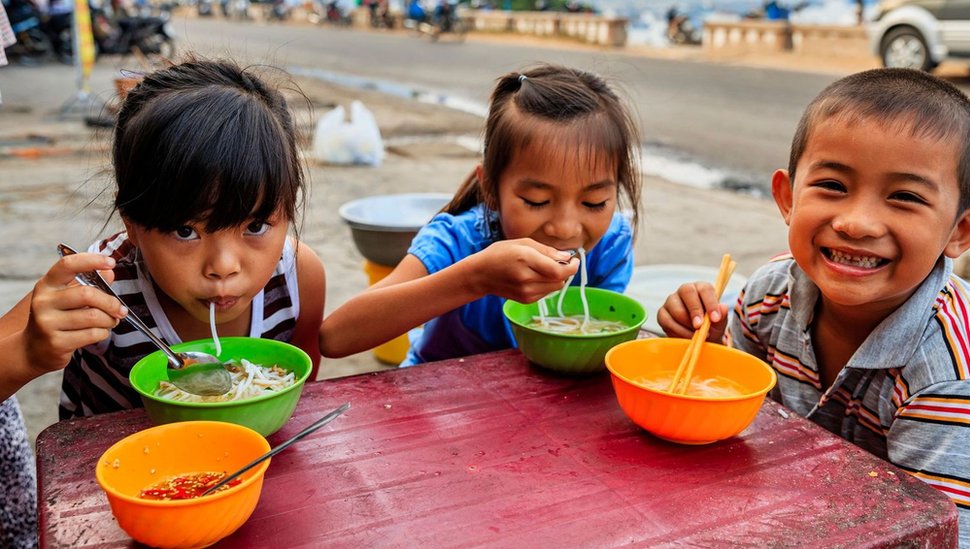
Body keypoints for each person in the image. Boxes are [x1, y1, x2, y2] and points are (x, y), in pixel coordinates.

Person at [657, 68, 970, 545]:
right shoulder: (769, 292)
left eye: (904, 197)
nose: (856, 223)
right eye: (832, 185)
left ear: (960, 232)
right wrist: (701, 349)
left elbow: (940, 534)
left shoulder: (949, 371)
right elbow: (744, 415)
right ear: (787, 198)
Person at [0, 57, 326, 421]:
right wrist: (28, 352)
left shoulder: (298, 278)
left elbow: (300, 394)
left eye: (255, 227)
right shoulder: (99, 286)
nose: (223, 267)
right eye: (186, 231)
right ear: (133, 224)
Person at [320, 64, 641, 365]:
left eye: (595, 202)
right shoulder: (457, 242)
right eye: (537, 200)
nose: (565, 228)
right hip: (439, 399)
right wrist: (473, 279)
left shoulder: (610, 244)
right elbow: (335, 337)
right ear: (490, 188)